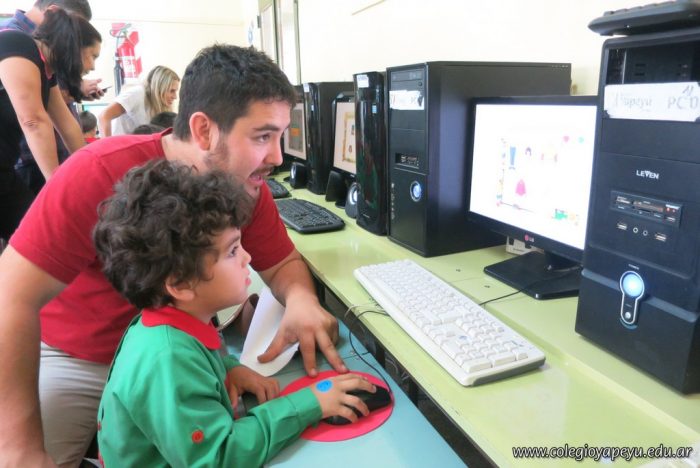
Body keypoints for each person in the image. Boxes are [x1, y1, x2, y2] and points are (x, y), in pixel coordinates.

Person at [0, 44, 347, 467]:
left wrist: (302, 300)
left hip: (183, 346)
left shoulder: (243, 185)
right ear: (204, 130)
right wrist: (19, 447)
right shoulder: (97, 172)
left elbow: (283, 263)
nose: (276, 158)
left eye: (279, 136)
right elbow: (10, 295)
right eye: (262, 136)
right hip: (78, 357)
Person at [94, 159, 373, 466]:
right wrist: (310, 404)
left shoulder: (171, 321)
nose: (247, 258)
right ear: (180, 283)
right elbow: (220, 457)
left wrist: (228, 369)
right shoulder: (167, 359)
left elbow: (197, 356)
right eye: (232, 251)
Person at [0, 9, 101, 241]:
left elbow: (66, 124)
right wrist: (56, 187)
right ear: (74, 45)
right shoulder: (17, 43)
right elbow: (33, 121)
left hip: (4, 169)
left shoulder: (46, 70)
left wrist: (90, 169)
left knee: (35, 236)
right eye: (92, 56)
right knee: (35, 235)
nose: (93, 66)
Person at [1, 0, 105, 100]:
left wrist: (75, 91)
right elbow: (24, 99)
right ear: (53, 12)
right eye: (73, 28)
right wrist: (74, 90)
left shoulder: (48, 50)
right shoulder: (12, 40)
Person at [99, 65, 180, 136]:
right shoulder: (137, 93)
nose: (175, 97)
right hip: (119, 145)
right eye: (171, 91)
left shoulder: (159, 105)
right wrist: (106, 145)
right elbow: (104, 116)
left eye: (175, 91)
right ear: (159, 88)